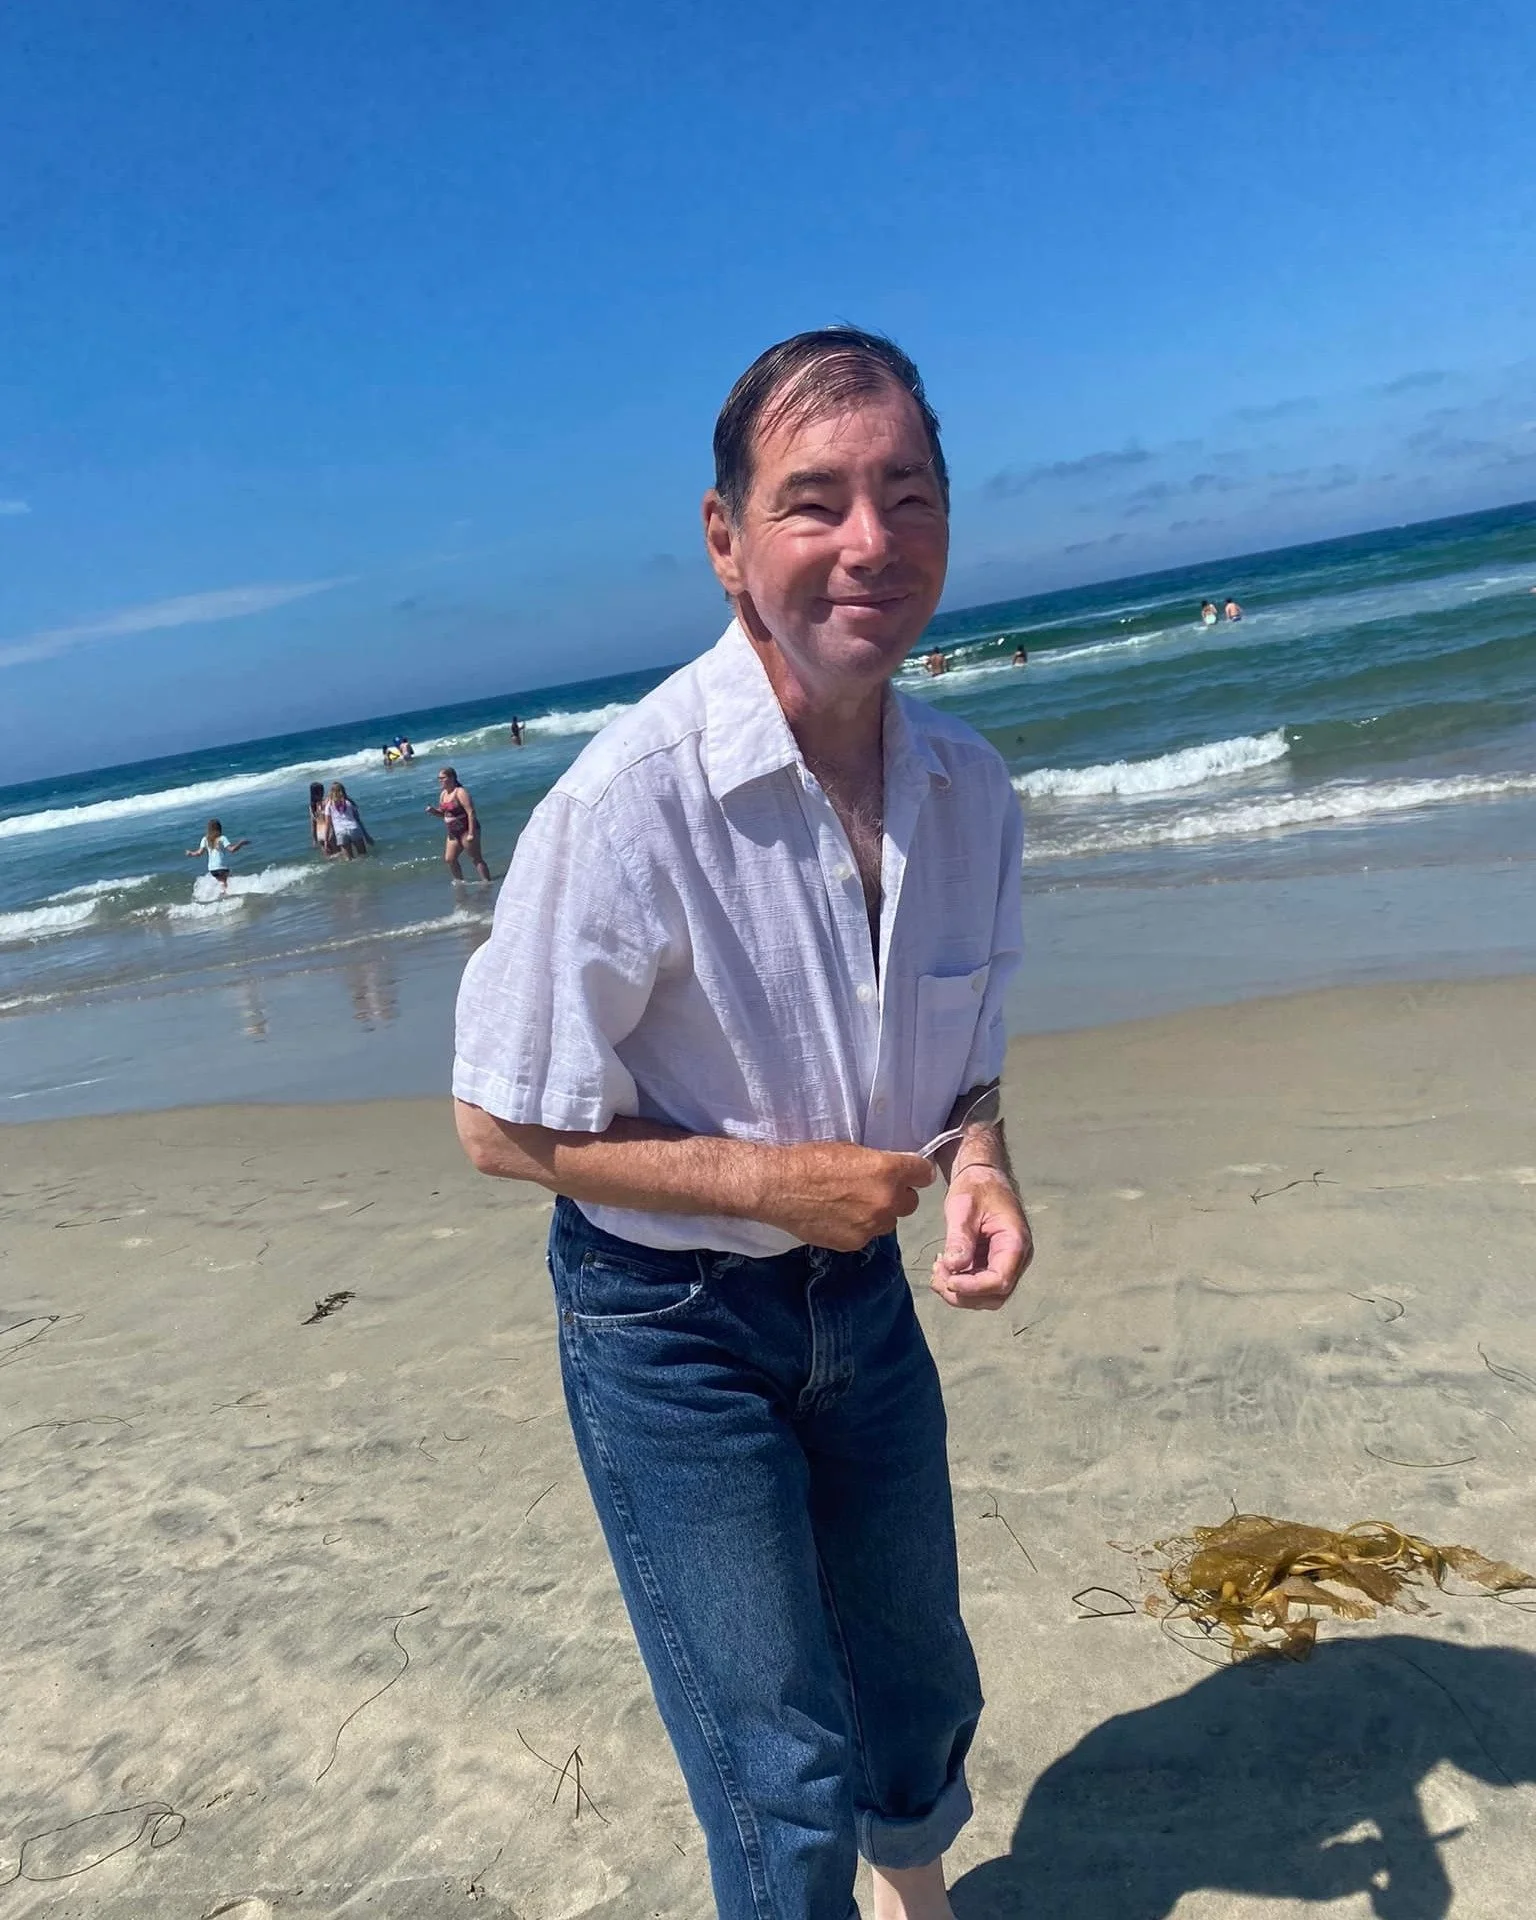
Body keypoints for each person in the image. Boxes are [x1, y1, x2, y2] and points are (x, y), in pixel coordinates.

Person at [453, 328, 1031, 1920]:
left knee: (914, 1686)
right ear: (724, 540)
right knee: (774, 1771)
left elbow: (965, 1052)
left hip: (867, 1299)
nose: (870, 541)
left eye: (905, 494)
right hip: (670, 1332)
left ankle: (922, 1898)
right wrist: (766, 1182)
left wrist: (978, 1161)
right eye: (814, 500)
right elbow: (495, 1121)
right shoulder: (622, 807)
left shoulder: (971, 790)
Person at [427, 767, 492, 881]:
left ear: (452, 778)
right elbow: (444, 814)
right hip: (453, 832)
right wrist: (434, 811)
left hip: (466, 830)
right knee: (450, 859)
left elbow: (470, 812)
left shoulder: (460, 792)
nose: (440, 781)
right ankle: (460, 882)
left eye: (443, 778)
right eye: (439, 778)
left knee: (476, 858)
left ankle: (487, 882)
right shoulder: (443, 794)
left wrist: (471, 833)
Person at [184, 817, 249, 892]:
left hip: (212, 869)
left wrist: (190, 853)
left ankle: (217, 895)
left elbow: (198, 853)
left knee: (223, 882)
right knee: (226, 882)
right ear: (219, 828)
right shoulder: (222, 838)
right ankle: (225, 897)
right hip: (221, 867)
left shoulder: (205, 839)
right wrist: (241, 843)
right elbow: (232, 850)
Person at [326, 782, 374, 859]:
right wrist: (367, 836)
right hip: (354, 828)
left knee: (348, 860)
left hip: (341, 832)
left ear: (331, 792)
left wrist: (326, 841)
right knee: (363, 856)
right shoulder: (349, 802)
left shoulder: (329, 805)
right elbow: (358, 820)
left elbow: (328, 824)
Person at [309, 782, 336, 857]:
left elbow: (313, 825)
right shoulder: (326, 802)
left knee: (329, 858)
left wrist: (314, 840)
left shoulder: (311, 807)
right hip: (329, 832)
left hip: (319, 834)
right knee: (339, 855)